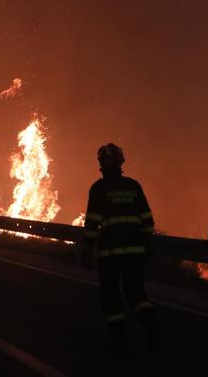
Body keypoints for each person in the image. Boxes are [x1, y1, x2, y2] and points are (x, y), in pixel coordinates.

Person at [80, 143, 160, 353]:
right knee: (136, 293)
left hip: (110, 253)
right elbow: (148, 220)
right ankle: (152, 332)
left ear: (100, 164)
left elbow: (92, 223)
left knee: (111, 295)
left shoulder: (98, 188)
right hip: (135, 252)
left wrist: (87, 249)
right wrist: (146, 243)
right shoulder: (134, 186)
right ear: (121, 162)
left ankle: (119, 342)